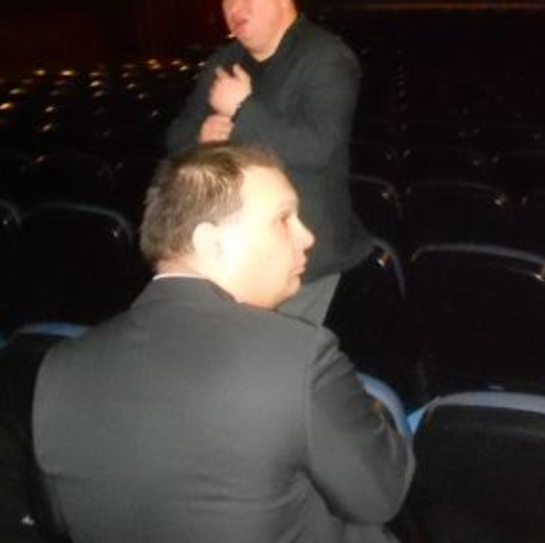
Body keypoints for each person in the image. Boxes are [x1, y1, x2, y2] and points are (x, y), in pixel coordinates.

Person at [33, 144, 414, 543]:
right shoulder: (298, 357)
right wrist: (372, 415)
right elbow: (381, 496)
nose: (307, 236)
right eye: (283, 219)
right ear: (211, 242)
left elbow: (61, 517)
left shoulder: (61, 365)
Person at [166, 0, 370, 324]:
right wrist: (201, 139)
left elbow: (318, 148)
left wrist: (242, 109)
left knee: (279, 356)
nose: (234, 9)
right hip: (234, 253)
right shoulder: (224, 61)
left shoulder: (327, 58)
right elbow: (176, 136)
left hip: (302, 257)